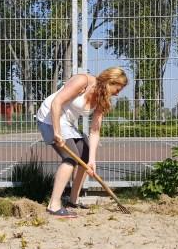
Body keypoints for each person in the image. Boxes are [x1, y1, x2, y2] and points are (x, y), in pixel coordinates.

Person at [36, 67, 128, 218]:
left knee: (84, 157)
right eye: (118, 88)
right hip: (49, 118)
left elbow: (95, 131)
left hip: (67, 123)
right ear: (110, 82)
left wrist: (92, 160)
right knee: (70, 159)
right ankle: (53, 205)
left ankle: (73, 200)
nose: (118, 93)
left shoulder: (102, 98)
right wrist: (57, 132)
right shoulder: (83, 81)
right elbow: (56, 103)